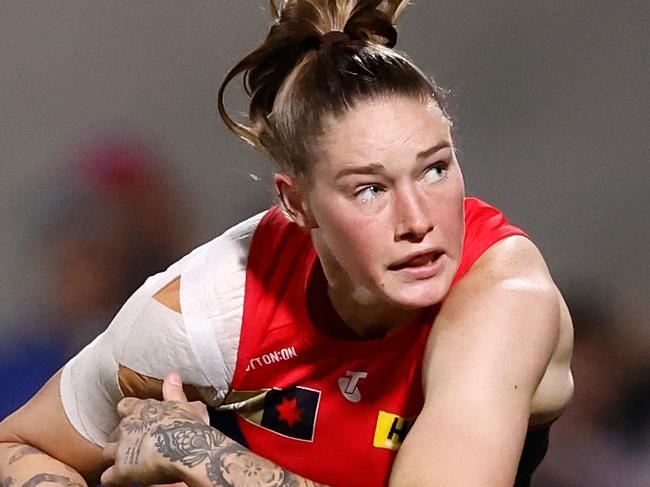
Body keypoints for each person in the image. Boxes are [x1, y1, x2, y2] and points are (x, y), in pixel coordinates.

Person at [0, 1, 574, 486]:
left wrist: (206, 459)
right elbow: (17, 444)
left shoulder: (504, 294)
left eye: (434, 169)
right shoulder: (211, 305)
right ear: (296, 203)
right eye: (370, 188)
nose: (418, 220)